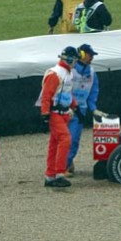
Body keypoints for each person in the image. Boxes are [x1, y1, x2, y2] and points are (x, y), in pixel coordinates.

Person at [37, 46, 78, 188]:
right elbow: (46, 96)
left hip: (62, 112)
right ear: (70, 59)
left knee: (54, 144)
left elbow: (67, 92)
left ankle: (50, 176)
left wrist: (73, 105)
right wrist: (45, 113)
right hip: (56, 113)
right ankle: (59, 173)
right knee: (65, 139)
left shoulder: (67, 73)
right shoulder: (56, 74)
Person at [66, 44, 100, 177]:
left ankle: (66, 163)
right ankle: (62, 165)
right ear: (82, 54)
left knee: (73, 139)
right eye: (90, 55)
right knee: (63, 139)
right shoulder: (70, 69)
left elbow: (93, 92)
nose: (92, 58)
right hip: (65, 109)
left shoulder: (92, 72)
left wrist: (94, 109)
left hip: (80, 111)